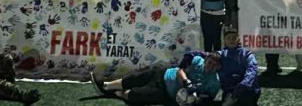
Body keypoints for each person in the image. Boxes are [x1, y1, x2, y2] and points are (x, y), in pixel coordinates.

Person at [90, 51, 222, 105]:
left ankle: (116, 93)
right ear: (206, 59)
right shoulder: (197, 60)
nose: (211, 66)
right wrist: (187, 83)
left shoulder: (215, 82)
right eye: (210, 62)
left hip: (166, 93)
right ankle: (106, 86)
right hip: (164, 73)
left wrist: (196, 98)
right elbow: (180, 70)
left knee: (135, 95)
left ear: (219, 67)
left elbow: (207, 99)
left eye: (215, 65)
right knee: (134, 78)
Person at [218, 26, 260, 106]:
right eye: (228, 38)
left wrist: (242, 85)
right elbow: (205, 56)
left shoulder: (246, 54)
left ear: (239, 39)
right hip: (229, 91)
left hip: (247, 90)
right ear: (224, 40)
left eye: (234, 38)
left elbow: (252, 70)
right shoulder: (221, 54)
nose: (231, 40)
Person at [264, 0, 287, 75]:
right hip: (269, 17)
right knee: (269, 42)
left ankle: (275, 64)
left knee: (277, 42)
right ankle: (270, 66)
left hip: (280, 17)